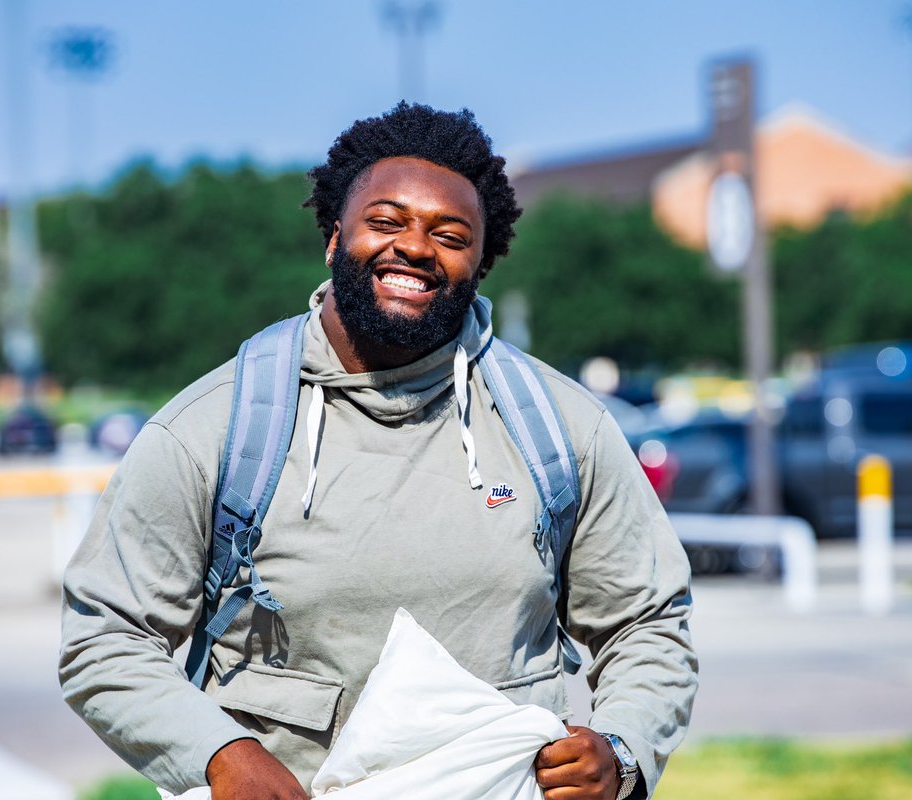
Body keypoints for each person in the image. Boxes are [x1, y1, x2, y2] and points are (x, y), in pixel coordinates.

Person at [59, 102, 697, 800]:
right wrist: (220, 753)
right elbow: (106, 638)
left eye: (450, 235)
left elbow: (649, 623)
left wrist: (622, 748)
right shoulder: (214, 428)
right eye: (386, 221)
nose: (417, 247)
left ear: (482, 261)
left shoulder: (562, 428)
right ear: (335, 238)